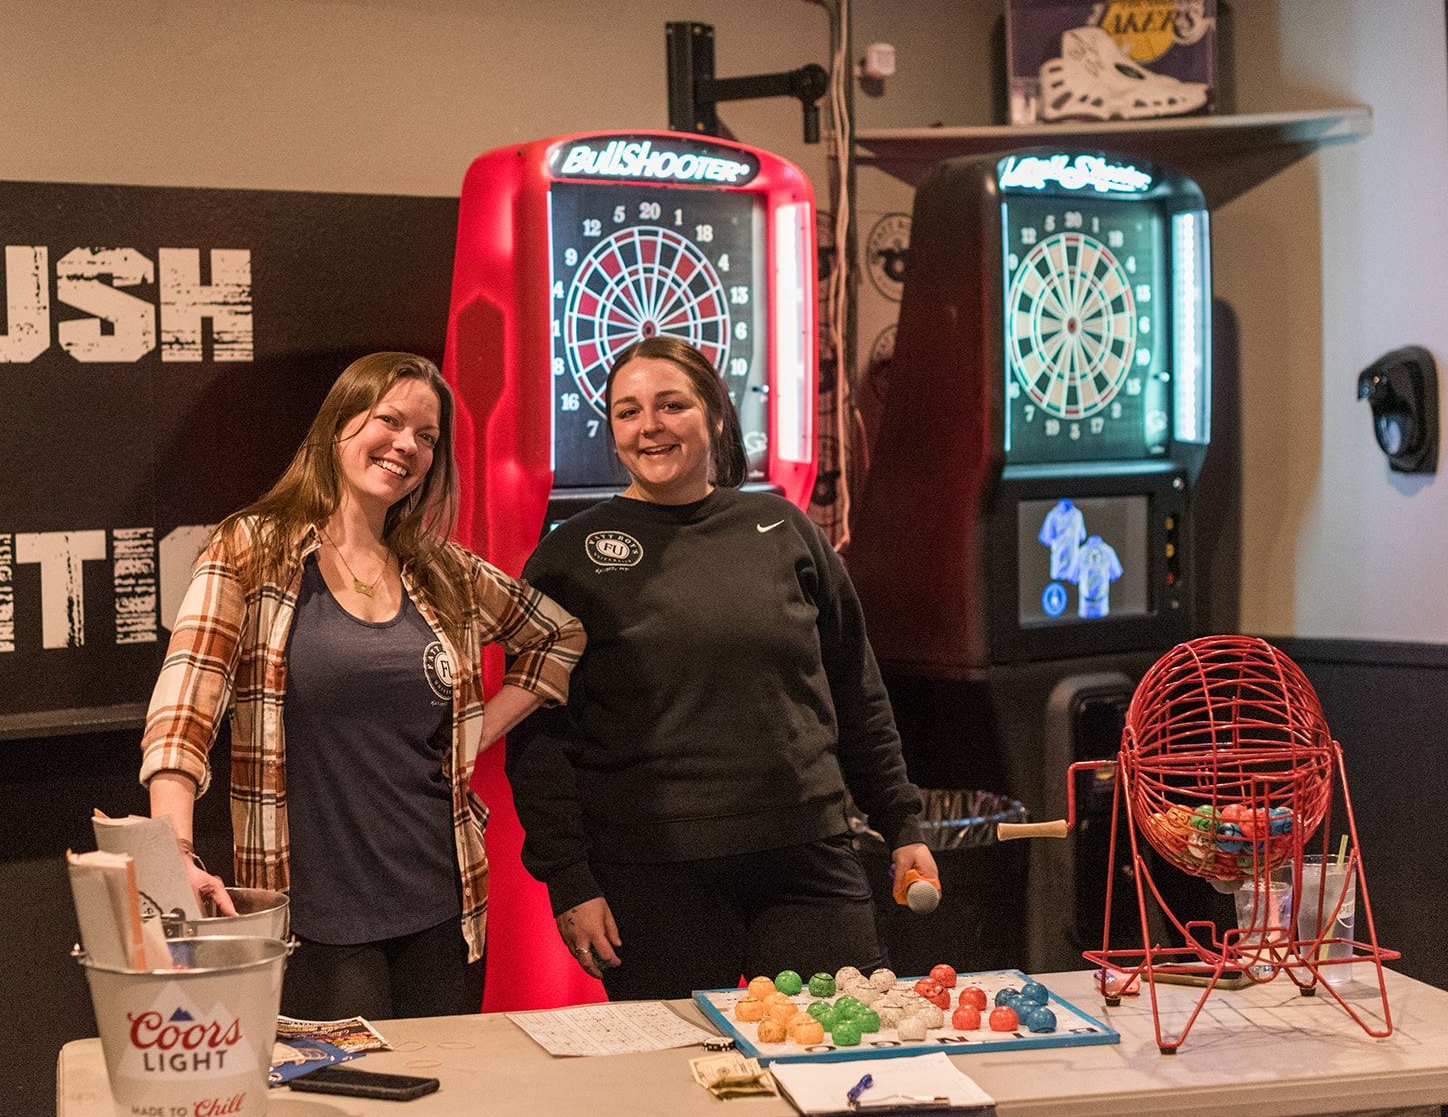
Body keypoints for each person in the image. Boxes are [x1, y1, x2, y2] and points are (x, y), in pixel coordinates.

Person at [141, 351, 585, 1020]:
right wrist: (172, 851)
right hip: (315, 918)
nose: (407, 444)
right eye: (390, 420)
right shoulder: (253, 549)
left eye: (428, 436)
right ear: (339, 426)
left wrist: (478, 729)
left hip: (442, 903)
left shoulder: (441, 570)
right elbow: (183, 715)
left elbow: (558, 634)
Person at [507, 336, 937, 1001]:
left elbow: (856, 692)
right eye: (628, 411)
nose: (649, 424)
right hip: (652, 877)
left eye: (670, 404)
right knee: (676, 1092)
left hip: (806, 862)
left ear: (714, 416)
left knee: (839, 1069)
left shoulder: (785, 527)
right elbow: (539, 741)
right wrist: (569, 878)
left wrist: (901, 824)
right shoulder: (568, 558)